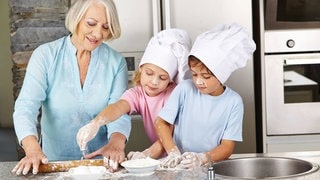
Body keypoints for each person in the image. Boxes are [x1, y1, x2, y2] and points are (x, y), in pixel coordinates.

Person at [12, 0, 131, 175]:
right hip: (53, 163)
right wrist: (32, 150)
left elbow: (120, 112)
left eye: (106, 27)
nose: (98, 33)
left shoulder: (116, 63)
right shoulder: (45, 56)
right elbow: (25, 108)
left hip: (100, 167)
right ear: (76, 18)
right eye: (91, 23)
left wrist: (116, 144)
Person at [76, 28, 192, 161]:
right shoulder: (137, 94)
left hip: (186, 155)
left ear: (171, 79)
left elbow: (168, 135)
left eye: (163, 78)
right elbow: (118, 107)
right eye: (149, 73)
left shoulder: (174, 94)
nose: (154, 82)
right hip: (166, 157)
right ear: (141, 69)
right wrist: (96, 123)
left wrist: (146, 155)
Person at [154, 23, 256, 169]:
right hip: (177, 166)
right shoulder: (185, 89)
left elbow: (227, 146)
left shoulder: (233, 102)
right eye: (194, 74)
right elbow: (161, 122)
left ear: (222, 74)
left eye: (206, 76)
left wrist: (203, 158)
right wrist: (173, 152)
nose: (198, 81)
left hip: (211, 168)